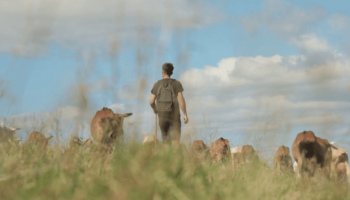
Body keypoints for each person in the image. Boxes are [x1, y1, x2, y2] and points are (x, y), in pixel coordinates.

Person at [149, 63, 188, 146]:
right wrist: (185, 114)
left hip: (162, 116)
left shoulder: (157, 84)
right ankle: (175, 158)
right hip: (174, 116)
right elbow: (181, 99)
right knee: (175, 142)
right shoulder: (176, 83)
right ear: (172, 72)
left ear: (162, 72)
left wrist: (155, 109)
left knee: (166, 142)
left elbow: (151, 101)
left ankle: (167, 158)